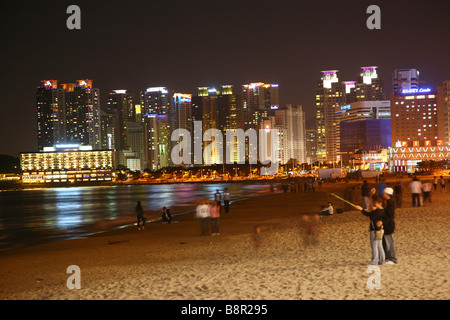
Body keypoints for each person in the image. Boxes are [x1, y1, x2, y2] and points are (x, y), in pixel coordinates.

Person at [355, 197, 385, 266]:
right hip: (380, 230)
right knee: (379, 245)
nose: (374, 205)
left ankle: (374, 261)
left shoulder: (378, 212)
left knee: (374, 246)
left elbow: (371, 216)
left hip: (375, 230)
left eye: (375, 204)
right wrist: (361, 209)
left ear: (379, 204)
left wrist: (362, 209)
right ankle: (382, 261)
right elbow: (369, 214)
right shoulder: (382, 211)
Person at [381, 188, 398, 265]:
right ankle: (387, 258)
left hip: (389, 225)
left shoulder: (390, 203)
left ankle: (392, 258)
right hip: (385, 225)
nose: (383, 194)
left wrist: (382, 222)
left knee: (389, 242)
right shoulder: (385, 202)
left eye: (384, 192)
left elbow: (390, 217)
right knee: (385, 242)